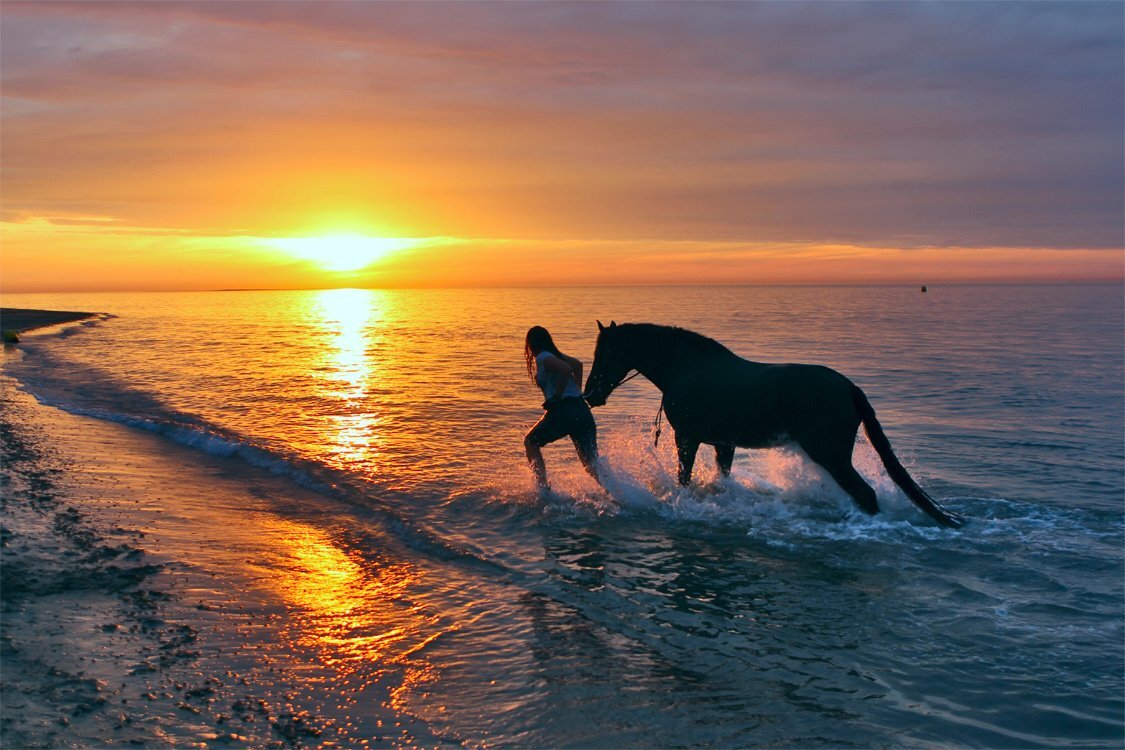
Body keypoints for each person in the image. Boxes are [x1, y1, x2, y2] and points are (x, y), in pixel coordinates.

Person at [523, 326, 600, 491]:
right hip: (581, 410)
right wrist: (576, 392)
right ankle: (623, 496)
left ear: (530, 344)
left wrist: (557, 397)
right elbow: (577, 365)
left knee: (530, 442)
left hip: (563, 412)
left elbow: (566, 369)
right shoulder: (555, 355)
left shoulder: (543, 357)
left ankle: (543, 489)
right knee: (592, 466)